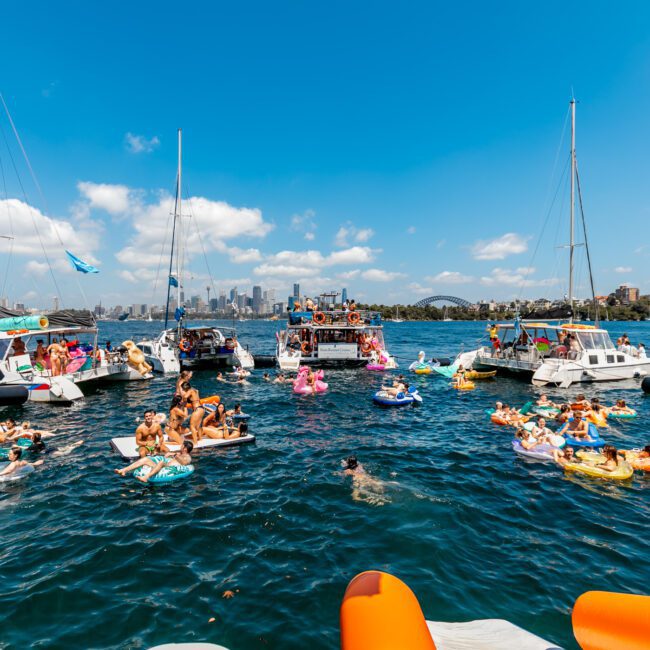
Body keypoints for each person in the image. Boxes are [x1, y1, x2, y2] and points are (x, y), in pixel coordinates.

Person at [115, 440, 193, 483]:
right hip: (163, 466)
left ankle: (146, 477)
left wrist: (175, 456)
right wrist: (168, 454)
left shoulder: (187, 457)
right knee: (146, 459)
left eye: (182, 445)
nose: (181, 446)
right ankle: (124, 470)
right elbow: (165, 457)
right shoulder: (178, 453)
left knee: (161, 462)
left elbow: (184, 463)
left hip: (168, 468)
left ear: (185, 448)